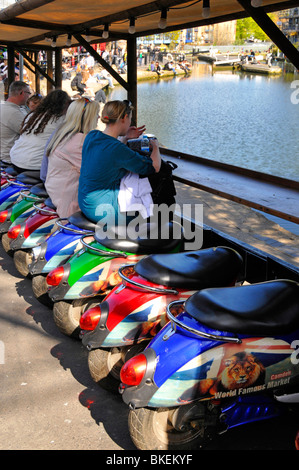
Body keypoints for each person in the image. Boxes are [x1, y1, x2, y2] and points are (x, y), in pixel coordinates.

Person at [78, 100, 161, 227]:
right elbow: (154, 167)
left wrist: (125, 137)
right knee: (149, 204)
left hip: (85, 203)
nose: (130, 123)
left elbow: (110, 154)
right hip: (104, 211)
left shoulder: (92, 136)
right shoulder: (117, 149)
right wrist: (155, 146)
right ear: (124, 118)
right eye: (130, 119)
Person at [44, 97, 100, 218]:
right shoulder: (79, 141)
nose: (98, 118)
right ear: (87, 118)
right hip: (70, 205)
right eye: (96, 114)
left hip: (56, 193)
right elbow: (101, 170)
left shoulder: (64, 133)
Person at [9, 89, 70, 171]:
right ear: (65, 105)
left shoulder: (32, 115)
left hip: (15, 158)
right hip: (35, 165)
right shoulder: (61, 120)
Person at [0, 80, 31, 164]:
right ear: (21, 93)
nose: (29, 97)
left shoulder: (4, 107)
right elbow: (29, 132)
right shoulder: (13, 112)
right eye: (28, 93)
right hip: (9, 159)